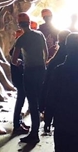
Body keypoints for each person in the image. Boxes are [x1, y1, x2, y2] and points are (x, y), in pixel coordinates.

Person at [11, 11, 48, 144]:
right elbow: (46, 52)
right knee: (38, 102)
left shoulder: (21, 39)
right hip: (41, 70)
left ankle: (34, 133)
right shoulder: (39, 35)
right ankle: (36, 130)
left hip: (30, 72)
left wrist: (21, 62)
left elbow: (14, 60)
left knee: (32, 104)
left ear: (19, 25)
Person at [41, 29, 71, 133]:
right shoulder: (69, 53)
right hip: (69, 90)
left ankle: (48, 123)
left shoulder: (58, 55)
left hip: (56, 87)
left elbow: (49, 75)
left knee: (52, 102)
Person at [9, 27, 28, 135]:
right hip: (20, 79)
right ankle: (17, 125)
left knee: (21, 101)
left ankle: (19, 122)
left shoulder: (16, 49)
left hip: (19, 79)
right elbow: (19, 64)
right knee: (20, 101)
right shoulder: (17, 50)